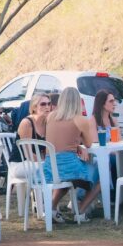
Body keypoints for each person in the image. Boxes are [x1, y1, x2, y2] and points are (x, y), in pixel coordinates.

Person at [43, 87, 100, 223]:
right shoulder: (80, 120)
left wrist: (76, 146)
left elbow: (57, 140)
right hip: (69, 166)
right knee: (100, 179)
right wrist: (79, 145)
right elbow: (89, 144)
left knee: (66, 180)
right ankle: (80, 212)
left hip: (50, 166)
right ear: (77, 102)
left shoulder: (50, 117)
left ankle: (50, 208)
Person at [7, 96, 50, 181]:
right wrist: (46, 162)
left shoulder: (47, 123)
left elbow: (48, 150)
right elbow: (28, 154)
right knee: (49, 169)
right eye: (43, 104)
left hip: (36, 162)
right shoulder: (27, 123)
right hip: (19, 164)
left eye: (49, 104)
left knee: (58, 167)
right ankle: (48, 194)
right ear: (34, 107)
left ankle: (48, 193)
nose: (47, 107)